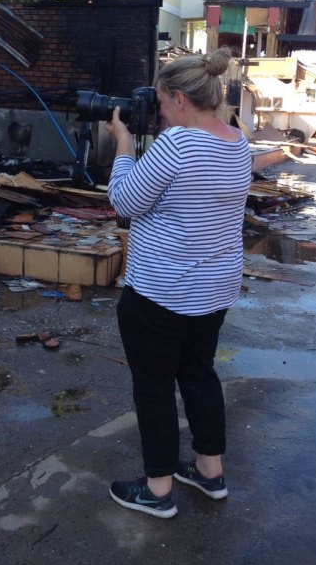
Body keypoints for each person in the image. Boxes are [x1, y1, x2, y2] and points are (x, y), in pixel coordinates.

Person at [105, 47, 252, 519]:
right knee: (198, 374)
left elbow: (126, 202)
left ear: (180, 99)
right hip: (213, 290)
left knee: (153, 386)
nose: (160, 111)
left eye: (163, 102)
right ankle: (210, 473)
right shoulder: (238, 142)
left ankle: (158, 490)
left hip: (161, 292)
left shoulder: (177, 145)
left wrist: (123, 144)